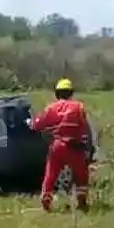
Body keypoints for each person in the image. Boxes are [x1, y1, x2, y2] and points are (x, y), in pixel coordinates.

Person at [28, 78, 94, 212]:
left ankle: (46, 201)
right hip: (75, 146)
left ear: (57, 93)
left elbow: (37, 125)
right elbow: (85, 128)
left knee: (50, 174)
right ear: (70, 93)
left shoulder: (51, 108)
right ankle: (82, 203)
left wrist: (30, 122)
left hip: (57, 146)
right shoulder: (78, 107)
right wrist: (88, 147)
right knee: (81, 175)